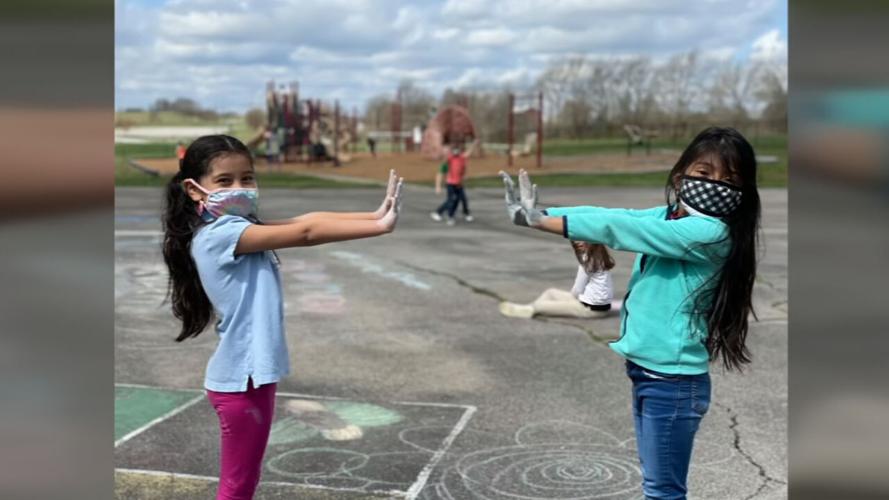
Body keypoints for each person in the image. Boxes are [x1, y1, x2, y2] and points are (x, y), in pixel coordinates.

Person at [499, 127, 761, 500]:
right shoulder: (670, 218)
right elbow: (613, 214)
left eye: (729, 180)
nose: (715, 185)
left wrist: (540, 221)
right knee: (657, 487)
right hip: (650, 373)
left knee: (663, 492)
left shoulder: (709, 233)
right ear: (680, 176)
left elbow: (622, 229)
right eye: (704, 174)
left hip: (672, 383)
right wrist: (542, 213)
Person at [161, 135, 404, 500]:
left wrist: (375, 213)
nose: (240, 187)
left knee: (243, 483)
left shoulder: (240, 226)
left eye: (247, 177)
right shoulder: (221, 234)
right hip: (241, 382)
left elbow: (307, 219)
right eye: (225, 181)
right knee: (237, 487)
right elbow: (306, 233)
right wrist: (379, 228)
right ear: (194, 190)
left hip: (249, 379)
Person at [499, 241, 615, 319]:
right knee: (551, 292)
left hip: (590, 310)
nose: (577, 242)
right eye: (575, 240)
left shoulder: (588, 261)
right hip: (596, 305)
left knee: (540, 305)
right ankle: (529, 308)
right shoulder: (599, 257)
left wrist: (570, 299)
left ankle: (531, 309)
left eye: (581, 240)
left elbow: (577, 290)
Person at [430, 139, 477, 225]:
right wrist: (438, 186)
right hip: (451, 184)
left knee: (461, 199)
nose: (456, 151)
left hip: (459, 184)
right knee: (451, 200)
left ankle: (463, 213)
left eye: (457, 150)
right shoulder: (448, 160)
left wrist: (474, 144)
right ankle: (448, 216)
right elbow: (440, 173)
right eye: (454, 150)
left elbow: (468, 153)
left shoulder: (462, 158)